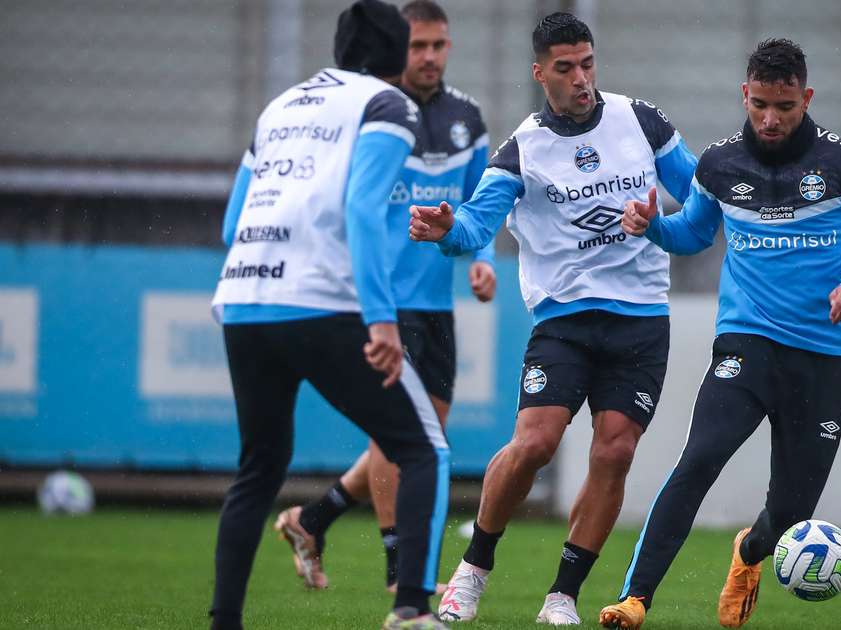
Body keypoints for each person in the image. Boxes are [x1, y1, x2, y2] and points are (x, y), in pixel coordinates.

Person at [596, 38, 841, 630]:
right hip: (746, 343)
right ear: (745, 93)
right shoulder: (718, 165)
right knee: (700, 458)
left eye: (784, 107)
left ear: (806, 98)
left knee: (792, 512)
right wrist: (651, 228)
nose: (770, 119)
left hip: (823, 356)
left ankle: (748, 556)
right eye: (760, 103)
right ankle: (635, 598)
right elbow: (693, 234)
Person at [409, 12, 698, 625]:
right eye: (565, 69)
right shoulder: (523, 149)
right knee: (536, 442)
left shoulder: (641, 122)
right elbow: (474, 226)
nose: (581, 79)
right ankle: (474, 567)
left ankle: (562, 595)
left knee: (614, 453)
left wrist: (672, 225)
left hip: (642, 316)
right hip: (565, 319)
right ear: (541, 73)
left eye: (588, 64)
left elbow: (700, 193)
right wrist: (446, 233)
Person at [208, 2, 450, 628]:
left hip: (243, 300)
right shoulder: (388, 106)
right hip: (317, 302)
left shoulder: (280, 107)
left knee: (259, 466)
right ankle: (411, 609)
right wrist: (381, 321)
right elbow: (364, 211)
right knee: (422, 448)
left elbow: (233, 223)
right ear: (398, 54)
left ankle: (224, 621)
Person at [272, 0, 495, 594]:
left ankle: (311, 519)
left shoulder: (467, 119)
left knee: (425, 436)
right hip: (379, 304)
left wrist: (482, 260)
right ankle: (402, 575)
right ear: (399, 49)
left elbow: (480, 204)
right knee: (399, 437)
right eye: (417, 45)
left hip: (435, 304)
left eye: (437, 45)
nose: (427, 57)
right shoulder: (371, 113)